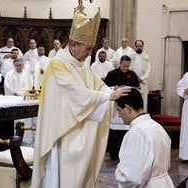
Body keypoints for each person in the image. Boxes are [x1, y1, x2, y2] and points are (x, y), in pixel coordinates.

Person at [31, 10, 131, 188]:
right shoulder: (57, 65)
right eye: (87, 49)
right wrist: (108, 96)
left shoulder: (81, 65)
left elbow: (96, 85)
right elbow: (75, 94)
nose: (89, 54)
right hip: (62, 133)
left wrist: (110, 90)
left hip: (79, 129)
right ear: (73, 44)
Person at [114, 88, 174, 188]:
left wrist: (120, 170)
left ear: (127, 108)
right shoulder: (157, 126)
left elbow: (132, 178)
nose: (119, 115)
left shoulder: (136, 133)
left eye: (119, 110)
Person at [104, 55, 140, 160]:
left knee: (126, 129)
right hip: (115, 107)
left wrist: (130, 89)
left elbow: (137, 89)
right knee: (114, 130)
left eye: (128, 66)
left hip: (127, 106)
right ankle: (113, 152)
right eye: (124, 65)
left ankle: (125, 151)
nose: (126, 68)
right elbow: (104, 88)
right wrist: (113, 88)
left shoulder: (132, 75)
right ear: (120, 63)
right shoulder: (112, 74)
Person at [129, 40, 151, 112]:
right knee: (132, 99)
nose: (139, 48)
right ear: (135, 46)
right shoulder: (130, 56)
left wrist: (142, 78)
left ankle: (141, 114)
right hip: (132, 82)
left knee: (142, 100)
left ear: (143, 46)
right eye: (137, 46)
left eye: (140, 46)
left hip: (142, 82)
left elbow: (148, 69)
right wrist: (134, 78)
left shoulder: (146, 57)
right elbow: (128, 68)